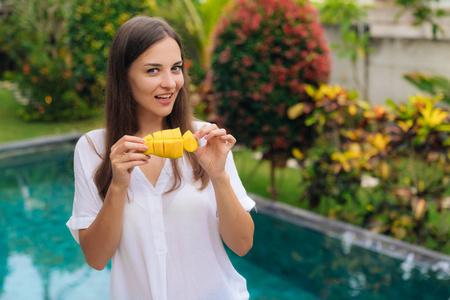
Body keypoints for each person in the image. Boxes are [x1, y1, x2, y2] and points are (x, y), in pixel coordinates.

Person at [66, 15, 256, 300]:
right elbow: (95, 258)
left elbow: (242, 244)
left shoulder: (205, 139)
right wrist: (117, 186)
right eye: (153, 70)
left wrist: (219, 176)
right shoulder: (94, 148)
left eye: (176, 68)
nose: (170, 83)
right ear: (123, 76)